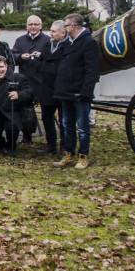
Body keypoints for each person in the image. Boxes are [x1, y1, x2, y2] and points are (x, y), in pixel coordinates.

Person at [53, 13, 100, 170]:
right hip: (65, 91)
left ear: (73, 26)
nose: (64, 28)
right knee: (67, 125)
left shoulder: (88, 43)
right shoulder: (68, 43)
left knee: (82, 128)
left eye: (66, 26)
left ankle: (83, 157)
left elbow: (92, 71)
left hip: (80, 93)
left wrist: (86, 92)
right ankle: (68, 154)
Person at [12, 15, 51, 146]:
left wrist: (42, 56)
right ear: (27, 26)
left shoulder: (47, 40)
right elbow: (12, 56)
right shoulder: (20, 40)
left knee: (46, 112)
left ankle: (49, 138)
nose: (33, 27)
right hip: (25, 81)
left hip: (42, 81)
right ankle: (26, 135)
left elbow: (51, 60)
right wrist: (21, 57)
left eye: (36, 24)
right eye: (30, 24)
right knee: (25, 109)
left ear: (41, 26)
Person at [37, 20, 68, 156]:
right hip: (47, 88)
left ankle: (64, 147)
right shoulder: (48, 44)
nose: (51, 34)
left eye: (54, 31)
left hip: (62, 88)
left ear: (63, 33)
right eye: (51, 31)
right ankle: (51, 144)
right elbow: (43, 60)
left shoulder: (68, 46)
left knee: (64, 120)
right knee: (47, 118)